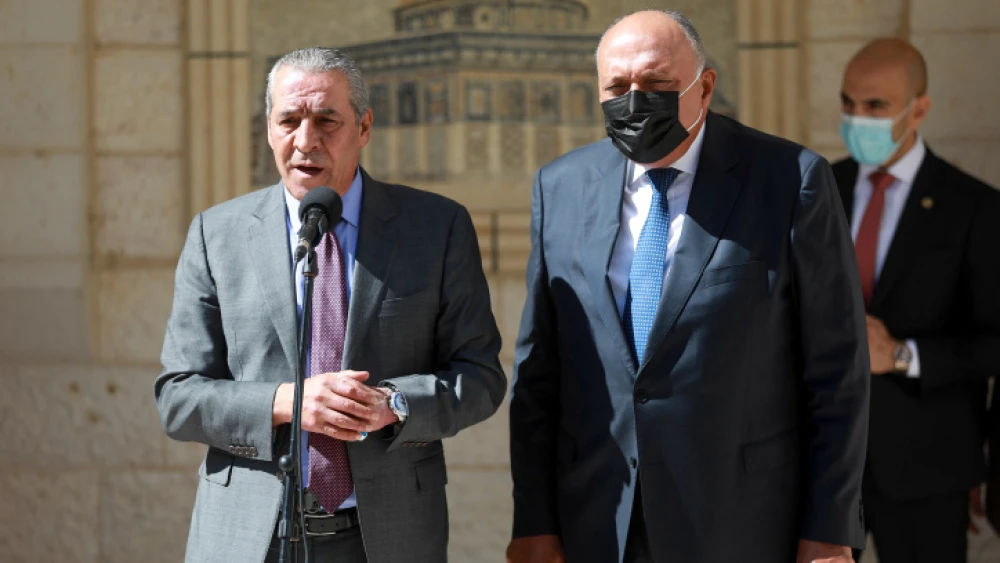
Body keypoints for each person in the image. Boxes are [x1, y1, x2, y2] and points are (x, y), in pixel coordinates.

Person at [507, 10, 869, 563]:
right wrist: (534, 521)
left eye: (656, 85)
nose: (634, 101)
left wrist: (829, 529)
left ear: (706, 87)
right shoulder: (561, 186)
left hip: (742, 522)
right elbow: (539, 373)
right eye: (617, 86)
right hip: (600, 521)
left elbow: (836, 371)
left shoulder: (790, 179)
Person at [155, 47, 505, 563]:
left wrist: (395, 403)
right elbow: (178, 398)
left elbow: (480, 377)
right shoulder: (217, 235)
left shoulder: (437, 228)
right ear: (269, 129)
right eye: (289, 120)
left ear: (363, 127)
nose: (305, 141)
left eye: (326, 121)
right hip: (250, 536)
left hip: (386, 536)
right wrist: (287, 403)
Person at [833, 37, 1000, 563]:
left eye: (875, 106)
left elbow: (994, 341)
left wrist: (903, 355)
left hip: (928, 468)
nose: (857, 118)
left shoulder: (974, 207)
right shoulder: (818, 188)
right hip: (825, 463)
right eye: (848, 103)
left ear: (918, 109)